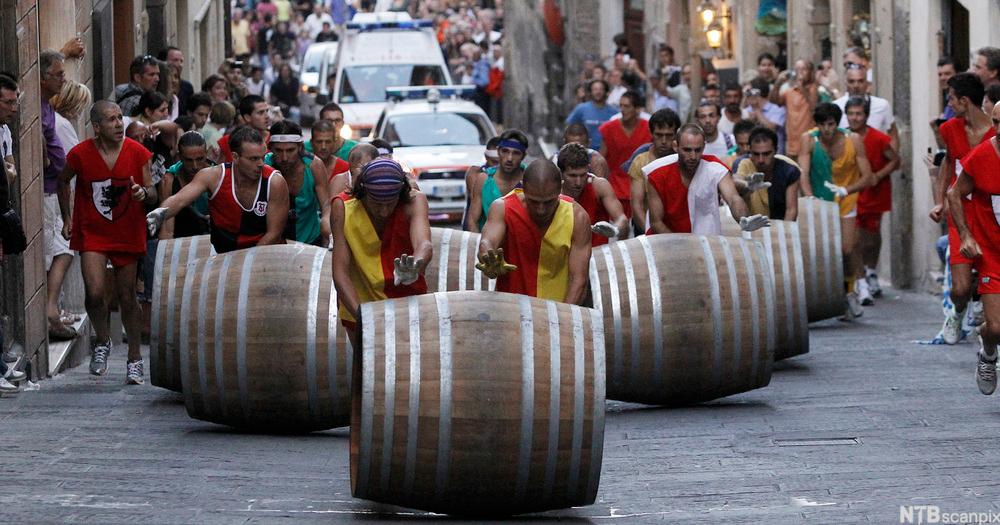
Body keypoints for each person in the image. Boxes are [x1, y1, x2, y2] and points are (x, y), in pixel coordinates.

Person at [58, 101, 157, 384]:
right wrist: (67, 218)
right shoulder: (80, 154)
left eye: (119, 119)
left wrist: (143, 194)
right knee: (95, 292)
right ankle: (102, 341)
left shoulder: (138, 152)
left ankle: (135, 358)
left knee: (128, 297)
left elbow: (152, 193)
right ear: (97, 127)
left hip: (128, 230)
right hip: (92, 232)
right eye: (111, 120)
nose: (118, 125)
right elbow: (62, 181)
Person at [330, 158, 432, 349]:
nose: (384, 211)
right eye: (377, 204)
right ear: (363, 192)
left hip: (406, 300)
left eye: (390, 203)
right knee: (365, 370)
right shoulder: (342, 206)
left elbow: (424, 244)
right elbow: (340, 272)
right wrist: (361, 316)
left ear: (400, 194)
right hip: (359, 301)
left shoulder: (415, 200)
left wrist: (416, 265)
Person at [147, 126, 289, 254]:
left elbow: (274, 234)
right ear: (235, 157)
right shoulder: (213, 176)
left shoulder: (274, 182)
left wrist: (245, 262)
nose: (260, 164)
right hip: (224, 256)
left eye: (262, 157)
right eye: (253, 159)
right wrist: (160, 213)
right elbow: (179, 200)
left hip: (263, 255)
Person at [931, 72, 995, 343]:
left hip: (989, 214)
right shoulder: (949, 129)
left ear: (965, 100)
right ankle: (957, 312)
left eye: (951, 98)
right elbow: (948, 163)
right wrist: (939, 200)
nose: (949, 103)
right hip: (960, 212)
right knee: (960, 288)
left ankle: (989, 323)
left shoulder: (995, 132)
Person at [798, 102, 877, 320]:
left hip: (846, 197)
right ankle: (839, 294)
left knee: (846, 247)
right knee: (823, 252)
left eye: (831, 124)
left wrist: (847, 189)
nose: (827, 129)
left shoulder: (853, 140)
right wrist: (809, 196)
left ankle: (852, 289)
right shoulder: (809, 139)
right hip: (819, 200)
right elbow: (803, 172)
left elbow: (868, 176)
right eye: (822, 125)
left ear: (837, 123)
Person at [477, 159, 591, 304]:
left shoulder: (578, 217)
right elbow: (488, 241)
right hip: (511, 311)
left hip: (557, 310)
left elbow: (579, 279)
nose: (541, 210)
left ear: (560, 188)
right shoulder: (503, 208)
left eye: (549, 201)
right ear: (523, 187)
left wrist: (563, 319)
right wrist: (487, 255)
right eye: (534, 201)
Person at [946, 102, 1000, 395]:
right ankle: (988, 351)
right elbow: (954, 193)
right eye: (996, 123)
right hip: (993, 254)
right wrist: (966, 236)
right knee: (996, 328)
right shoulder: (982, 155)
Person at [643, 123, 769, 236]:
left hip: (704, 242)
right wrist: (680, 247)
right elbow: (656, 223)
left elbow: (733, 198)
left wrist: (743, 218)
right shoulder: (657, 173)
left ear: (704, 147)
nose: (693, 156)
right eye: (687, 150)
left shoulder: (714, 168)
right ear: (676, 146)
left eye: (698, 150)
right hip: (664, 243)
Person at [38, 50, 79, 340]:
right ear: (43, 78)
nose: (63, 80)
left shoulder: (47, 106)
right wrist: (47, 161)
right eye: (59, 74)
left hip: (54, 191)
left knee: (62, 250)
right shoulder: (40, 108)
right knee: (56, 251)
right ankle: (50, 311)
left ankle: (52, 309)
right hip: (46, 193)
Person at [846, 97, 900, 305]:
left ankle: (870, 270)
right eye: (851, 114)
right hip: (852, 194)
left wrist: (878, 175)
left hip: (875, 192)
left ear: (866, 116)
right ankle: (861, 282)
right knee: (855, 239)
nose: (854, 118)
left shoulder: (879, 138)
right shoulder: (844, 138)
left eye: (858, 114)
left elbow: (895, 160)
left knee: (872, 237)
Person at [263, 120, 330, 246]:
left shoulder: (314, 165)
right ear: (270, 148)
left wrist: (326, 222)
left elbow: (326, 204)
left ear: (300, 147)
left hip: (310, 242)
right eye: (278, 150)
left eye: (290, 150)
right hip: (273, 245)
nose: (284, 157)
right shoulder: (263, 166)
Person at [557, 142, 627, 247]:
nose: (578, 182)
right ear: (561, 173)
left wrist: (614, 230)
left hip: (598, 255)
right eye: (572, 176)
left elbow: (622, 219)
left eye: (582, 175)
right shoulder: (553, 192)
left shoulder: (599, 186)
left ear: (588, 168)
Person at [627, 108, 681, 233]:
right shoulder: (640, 162)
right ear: (651, 133)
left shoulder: (683, 159)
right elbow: (637, 205)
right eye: (659, 135)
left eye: (668, 135)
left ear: (676, 135)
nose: (663, 141)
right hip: (646, 226)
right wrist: (648, 233)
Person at [598, 90, 649, 219]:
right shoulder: (609, 128)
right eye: (621, 105)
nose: (622, 109)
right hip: (614, 189)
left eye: (627, 106)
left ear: (637, 109)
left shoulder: (648, 128)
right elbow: (601, 159)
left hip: (641, 188)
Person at [732, 126, 800, 221]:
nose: (761, 160)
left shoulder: (789, 171)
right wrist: (747, 185)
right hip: (752, 226)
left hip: (780, 225)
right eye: (756, 154)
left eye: (766, 154)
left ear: (776, 150)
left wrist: (783, 233)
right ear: (750, 150)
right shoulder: (745, 163)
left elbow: (791, 210)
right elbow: (735, 180)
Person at [466, 129, 528, 232]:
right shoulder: (484, 180)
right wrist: (479, 245)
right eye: (505, 151)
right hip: (488, 243)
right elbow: (473, 220)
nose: (509, 158)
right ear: (498, 151)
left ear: (523, 156)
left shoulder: (530, 178)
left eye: (516, 153)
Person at [158, 131, 212, 239]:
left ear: (206, 154)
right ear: (179, 157)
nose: (195, 166)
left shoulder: (218, 174)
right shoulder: (168, 181)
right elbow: (167, 231)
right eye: (189, 160)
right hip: (181, 237)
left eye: (199, 159)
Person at [834, 67, 898, 143]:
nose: (856, 85)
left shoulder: (882, 105)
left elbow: (893, 134)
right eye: (851, 81)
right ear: (846, 83)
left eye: (860, 81)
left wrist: (892, 153)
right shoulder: (835, 106)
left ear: (867, 83)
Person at [777, 59, 820, 157]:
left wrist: (801, 86)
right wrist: (778, 83)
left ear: (810, 72)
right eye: (797, 69)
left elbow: (813, 106)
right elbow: (775, 102)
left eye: (803, 69)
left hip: (808, 143)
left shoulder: (814, 88)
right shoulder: (790, 91)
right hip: (791, 144)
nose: (800, 73)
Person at [565, 79, 618, 150]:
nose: (598, 92)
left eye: (601, 89)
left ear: (606, 92)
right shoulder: (581, 109)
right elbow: (569, 128)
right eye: (595, 89)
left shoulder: (614, 112)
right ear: (590, 92)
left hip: (608, 152)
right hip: (585, 152)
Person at [216, 95, 270, 163]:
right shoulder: (228, 140)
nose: (267, 116)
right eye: (260, 112)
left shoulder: (274, 139)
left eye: (267, 111)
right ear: (247, 117)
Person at [742, 78, 786, 153]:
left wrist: (757, 111)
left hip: (775, 156)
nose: (748, 94)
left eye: (749, 91)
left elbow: (771, 128)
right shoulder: (747, 110)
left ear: (756, 93)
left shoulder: (777, 109)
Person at [309, 119, 351, 186]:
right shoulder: (303, 168)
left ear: (334, 142)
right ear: (312, 143)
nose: (323, 147)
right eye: (319, 142)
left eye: (328, 142)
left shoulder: (345, 168)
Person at [159, 46, 194, 114]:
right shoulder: (157, 84)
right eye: (175, 60)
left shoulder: (187, 87)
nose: (179, 64)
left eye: (181, 61)